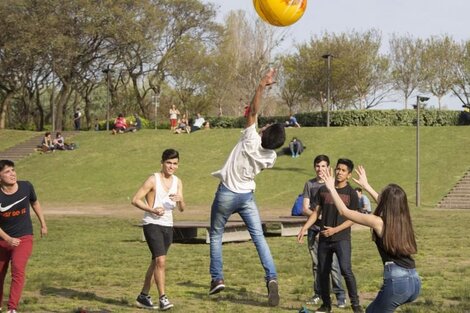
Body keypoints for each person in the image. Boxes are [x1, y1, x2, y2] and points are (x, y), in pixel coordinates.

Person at [209, 68, 286, 307]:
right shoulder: (270, 157)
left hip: (227, 193)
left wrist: (262, 84)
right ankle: (271, 279)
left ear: (263, 132)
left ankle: (217, 278)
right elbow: (264, 132)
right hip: (246, 197)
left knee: (215, 234)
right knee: (259, 238)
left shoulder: (250, 138)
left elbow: (253, 111)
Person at [320, 165, 421, 313]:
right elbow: (386, 202)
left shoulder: (378, 222)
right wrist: (366, 186)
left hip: (398, 282)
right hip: (414, 281)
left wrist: (332, 188)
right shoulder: (403, 220)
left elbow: (344, 212)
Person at [297, 158, 363, 313]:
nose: (339, 172)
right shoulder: (324, 190)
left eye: (343, 170)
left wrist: (335, 230)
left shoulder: (351, 194)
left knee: (346, 270)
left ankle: (356, 305)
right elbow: (316, 213)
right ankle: (326, 305)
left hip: (342, 239)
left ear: (348, 174)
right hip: (324, 239)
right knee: (322, 271)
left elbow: (353, 218)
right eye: (338, 169)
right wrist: (304, 228)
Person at [131, 149, 185, 311]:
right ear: (162, 163)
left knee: (156, 261)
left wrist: (181, 200)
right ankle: (163, 298)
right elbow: (135, 200)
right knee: (161, 261)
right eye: (168, 163)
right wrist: (152, 210)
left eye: (175, 164)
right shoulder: (153, 179)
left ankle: (143, 296)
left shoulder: (178, 182)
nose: (171, 166)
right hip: (152, 224)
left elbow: (181, 208)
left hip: (168, 225)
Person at [0, 160, 48, 313]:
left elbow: (35, 203)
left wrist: (43, 224)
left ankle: (12, 308)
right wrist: (7, 239)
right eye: (7, 171)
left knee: (18, 268)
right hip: (2, 240)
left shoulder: (26, 186)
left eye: (13, 170)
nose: (12, 174)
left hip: (24, 237)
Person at [301, 155, 346, 309]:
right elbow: (305, 208)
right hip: (314, 229)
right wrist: (316, 216)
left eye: (323, 166)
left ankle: (340, 295)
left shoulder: (333, 185)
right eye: (317, 166)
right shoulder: (309, 184)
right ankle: (318, 293)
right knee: (316, 264)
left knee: (333, 264)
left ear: (328, 167)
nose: (320, 169)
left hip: (329, 230)